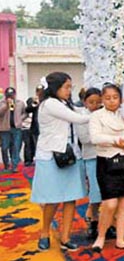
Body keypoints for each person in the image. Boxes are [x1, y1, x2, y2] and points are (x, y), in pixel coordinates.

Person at [30, 72, 90, 251]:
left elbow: (81, 112)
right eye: (66, 87)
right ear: (55, 88)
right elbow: (79, 118)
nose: (69, 91)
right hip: (51, 155)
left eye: (70, 87)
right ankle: (44, 233)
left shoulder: (65, 104)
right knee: (52, 199)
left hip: (70, 154)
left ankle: (66, 237)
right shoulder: (50, 104)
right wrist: (101, 113)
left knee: (71, 198)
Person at [90, 84, 124, 252]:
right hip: (106, 162)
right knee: (110, 203)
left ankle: (121, 239)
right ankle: (101, 236)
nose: (112, 101)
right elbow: (95, 137)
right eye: (108, 98)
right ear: (102, 99)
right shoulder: (97, 116)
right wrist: (116, 140)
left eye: (115, 97)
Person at [74, 87, 103, 239]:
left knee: (109, 192)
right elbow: (84, 138)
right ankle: (93, 219)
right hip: (91, 156)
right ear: (85, 102)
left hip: (107, 156)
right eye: (91, 102)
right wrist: (104, 137)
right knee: (95, 190)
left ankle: (108, 223)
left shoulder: (105, 113)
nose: (95, 105)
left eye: (98, 102)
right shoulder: (82, 116)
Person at [0, 87, 26, 172]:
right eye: (8, 95)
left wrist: (20, 119)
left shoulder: (20, 103)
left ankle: (14, 166)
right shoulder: (1, 103)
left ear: (15, 95)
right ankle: (6, 165)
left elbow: (25, 113)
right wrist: (7, 105)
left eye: (11, 95)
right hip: (4, 129)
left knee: (16, 147)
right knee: (4, 147)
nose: (10, 97)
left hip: (16, 129)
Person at [25, 84, 44, 166]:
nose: (40, 93)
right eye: (38, 91)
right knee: (36, 146)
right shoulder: (33, 100)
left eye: (41, 91)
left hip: (45, 127)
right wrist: (35, 103)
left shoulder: (47, 100)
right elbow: (28, 110)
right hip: (36, 128)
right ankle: (38, 161)